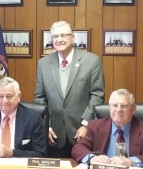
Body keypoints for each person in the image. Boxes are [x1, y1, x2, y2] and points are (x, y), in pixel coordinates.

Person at [34, 21, 105, 158]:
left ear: (73, 38)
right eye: (55, 36)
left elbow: (97, 95)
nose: (59, 40)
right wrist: (46, 127)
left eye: (63, 35)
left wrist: (86, 124)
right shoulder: (43, 64)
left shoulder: (91, 61)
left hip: (82, 132)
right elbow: (39, 98)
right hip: (54, 135)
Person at [72, 89, 143, 167]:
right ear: (109, 108)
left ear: (133, 109)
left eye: (124, 106)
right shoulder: (95, 127)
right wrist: (92, 158)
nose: (118, 110)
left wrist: (131, 161)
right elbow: (78, 148)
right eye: (115, 105)